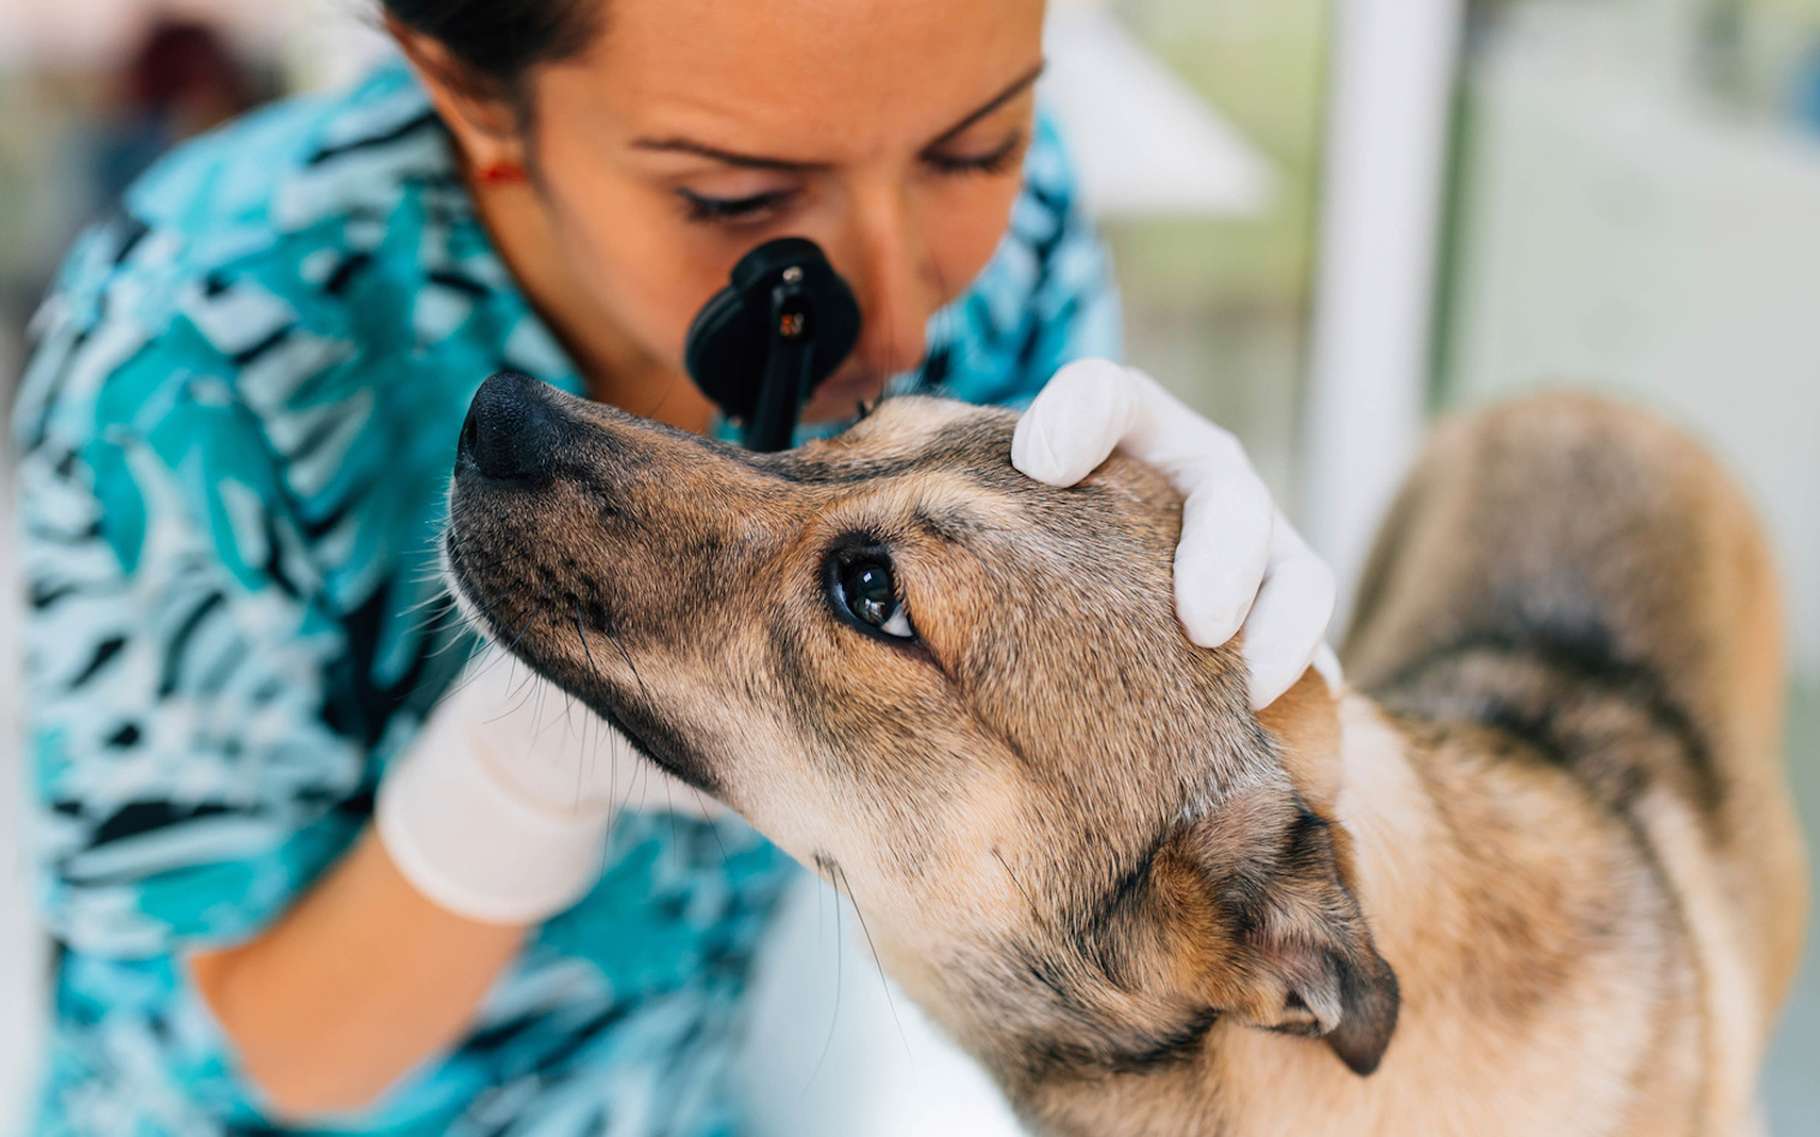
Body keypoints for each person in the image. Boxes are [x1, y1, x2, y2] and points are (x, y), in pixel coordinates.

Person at [11, 2, 1335, 1134]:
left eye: (975, 142)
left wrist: (1249, 717)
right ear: (471, 92)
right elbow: (273, 1049)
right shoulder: (189, 365)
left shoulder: (1015, 239)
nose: (902, 304)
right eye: (738, 197)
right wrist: (504, 785)